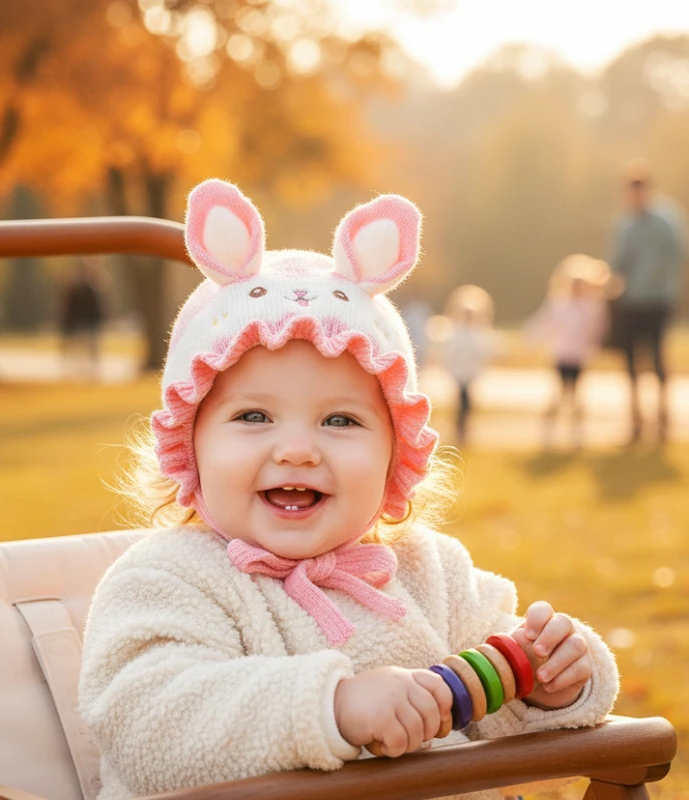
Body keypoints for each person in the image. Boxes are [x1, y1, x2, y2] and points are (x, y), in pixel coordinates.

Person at [78, 180, 619, 800]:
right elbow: (149, 726)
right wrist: (330, 707)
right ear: (189, 444)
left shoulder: (431, 572)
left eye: (340, 420)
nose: (297, 450)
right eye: (253, 416)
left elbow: (503, 720)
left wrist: (549, 684)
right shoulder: (167, 580)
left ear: (395, 454)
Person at [607, 159, 687, 444]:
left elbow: (678, 255)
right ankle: (636, 419)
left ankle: (663, 416)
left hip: (658, 299)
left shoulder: (667, 220)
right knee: (629, 359)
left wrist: (658, 280)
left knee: (656, 356)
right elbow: (618, 261)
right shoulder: (625, 224)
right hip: (631, 300)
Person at [525, 255, 610, 450]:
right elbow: (544, 324)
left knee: (576, 395)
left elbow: (597, 330)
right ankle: (548, 430)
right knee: (559, 393)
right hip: (562, 355)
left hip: (579, 356)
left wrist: (597, 345)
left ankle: (577, 432)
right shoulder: (560, 306)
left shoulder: (590, 309)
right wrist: (530, 340)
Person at [440, 285, 498, 447]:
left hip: (470, 373)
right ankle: (460, 427)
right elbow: (450, 353)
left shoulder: (477, 333)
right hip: (459, 373)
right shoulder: (456, 332)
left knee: (466, 400)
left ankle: (462, 427)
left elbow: (485, 351)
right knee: (463, 399)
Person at [59, 258, 106, 380]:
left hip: (91, 320)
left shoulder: (95, 287)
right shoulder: (77, 288)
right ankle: (80, 371)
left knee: (91, 348)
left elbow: (99, 306)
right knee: (81, 348)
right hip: (82, 321)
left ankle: (91, 372)